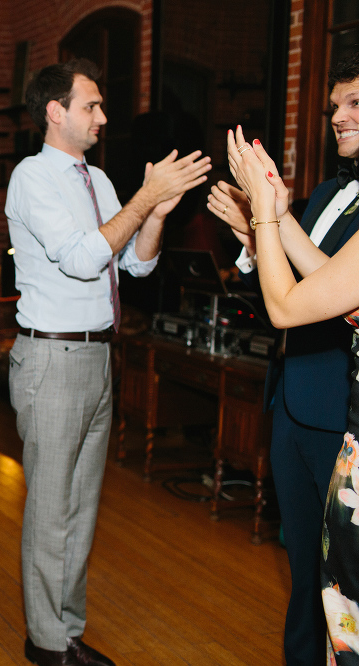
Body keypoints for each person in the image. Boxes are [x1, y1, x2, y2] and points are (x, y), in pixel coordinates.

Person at [6, 59, 211, 666]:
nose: (102, 116)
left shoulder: (96, 179)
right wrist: (144, 196)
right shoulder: (32, 176)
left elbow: (135, 266)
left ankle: (66, 630)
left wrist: (156, 216)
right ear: (55, 112)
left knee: (81, 506)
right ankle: (45, 643)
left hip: (97, 355)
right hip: (52, 354)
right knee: (50, 507)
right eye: (91, 105)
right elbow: (81, 258)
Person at [206, 51, 359, 666]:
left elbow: (296, 304)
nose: (338, 117)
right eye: (334, 108)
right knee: (314, 577)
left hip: (338, 413)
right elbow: (329, 282)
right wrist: (266, 224)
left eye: (354, 104)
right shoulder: (328, 192)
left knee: (339, 592)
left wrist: (268, 217)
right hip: (301, 401)